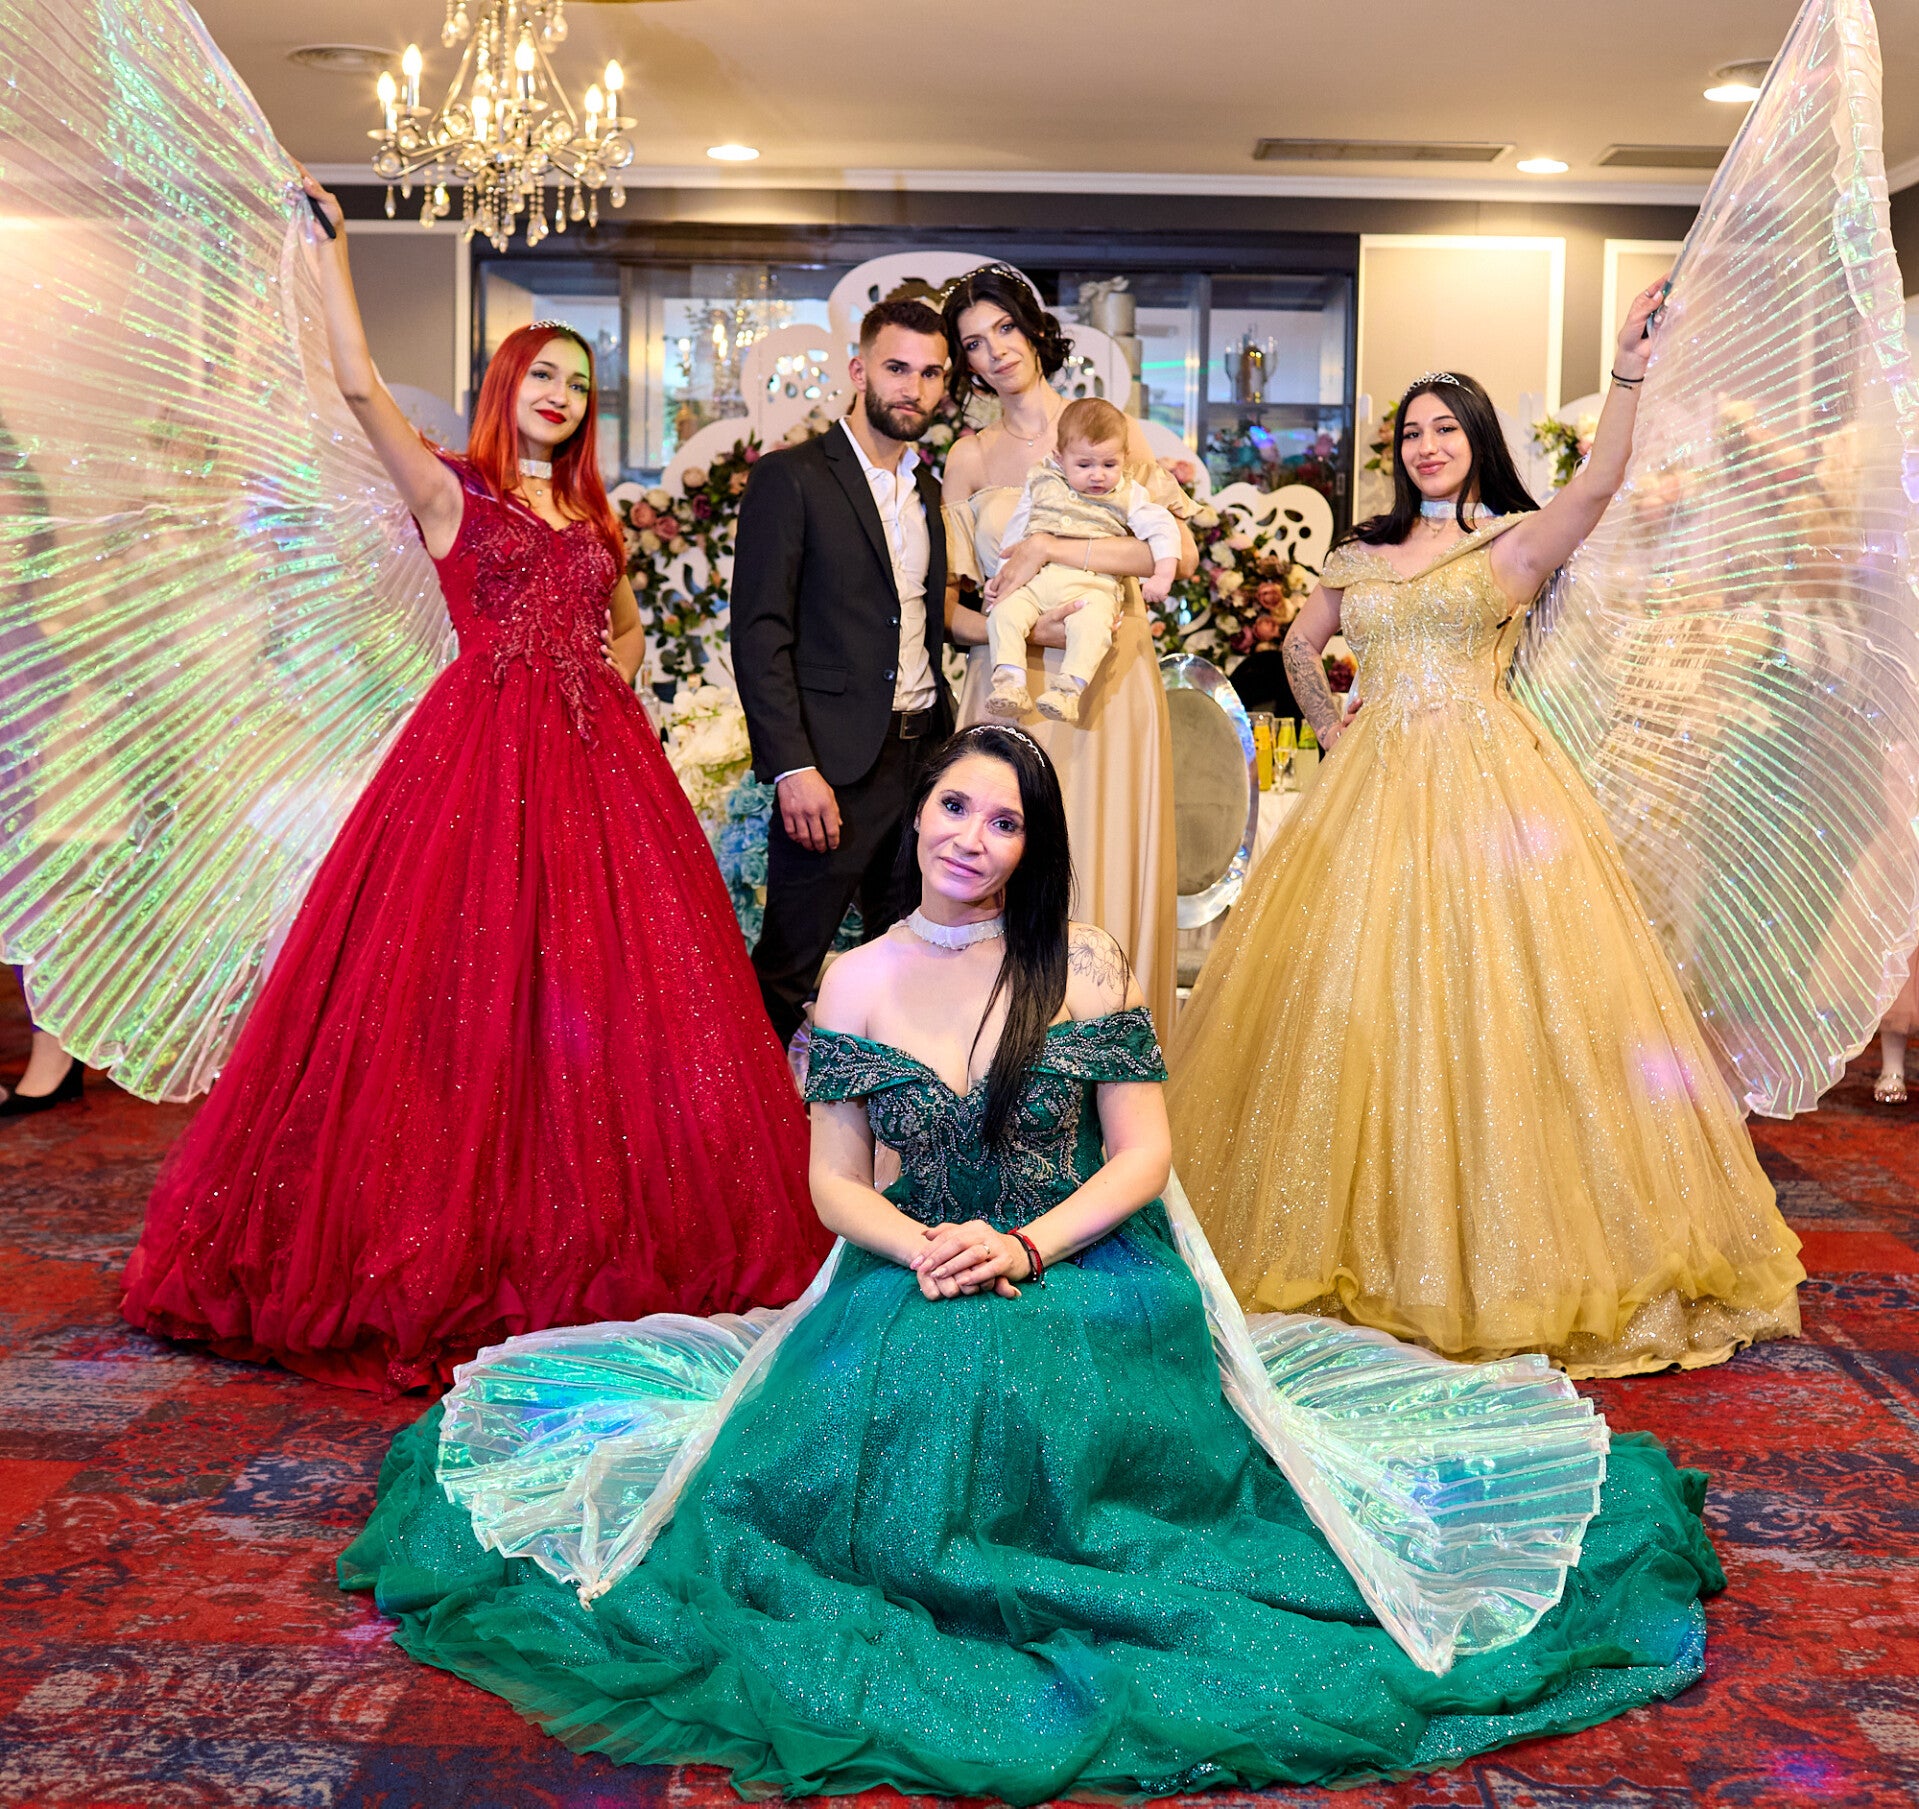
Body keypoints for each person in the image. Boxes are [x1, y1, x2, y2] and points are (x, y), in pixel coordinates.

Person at [342, 722, 1725, 1800]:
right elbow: (831, 1181)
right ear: (918, 816)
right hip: (911, 1256)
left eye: (1004, 822)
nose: (972, 837)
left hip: (1085, 1259)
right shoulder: (855, 977)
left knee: (1029, 1397)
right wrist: (925, 1246)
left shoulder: (1083, 964)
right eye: (955, 806)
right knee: (870, 1426)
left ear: (1030, 846)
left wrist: (1019, 1242)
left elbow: (1140, 1157)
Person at [119, 173, 828, 1393]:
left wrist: (603, 684)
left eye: (578, 384)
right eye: (542, 375)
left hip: (600, 772)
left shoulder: (594, 517)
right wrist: (333, 256)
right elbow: (356, 386)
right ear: (507, 387)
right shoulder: (453, 490)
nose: (560, 396)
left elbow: (624, 629)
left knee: (610, 999)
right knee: (461, 989)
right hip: (479, 765)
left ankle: (596, 1233)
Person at [1167, 292, 1806, 1378]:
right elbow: (1299, 645)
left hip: (1487, 795)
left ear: (1475, 442)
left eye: (1444, 429)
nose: (1425, 446)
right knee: (1352, 1004)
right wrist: (1331, 721)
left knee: (1501, 1000)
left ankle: (1499, 1250)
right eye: (1410, 433)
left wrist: (1626, 370)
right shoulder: (1361, 554)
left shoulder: (1509, 544)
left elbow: (1598, 485)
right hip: (1370, 793)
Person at [940, 265, 1195, 1032]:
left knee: (1103, 861)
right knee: (1007, 873)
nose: (994, 351)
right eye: (973, 343)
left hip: (1110, 685)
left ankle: (1107, 1067)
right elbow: (949, 613)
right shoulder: (969, 457)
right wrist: (1022, 626)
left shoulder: (1109, 430)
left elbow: (1173, 554)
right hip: (1009, 686)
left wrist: (1053, 545)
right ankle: (999, 1067)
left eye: (1004, 329)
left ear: (1033, 329)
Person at [730, 297, 956, 1047]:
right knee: (788, 969)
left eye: (930, 373)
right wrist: (794, 767)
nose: (913, 388)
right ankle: (746, 1114)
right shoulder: (791, 477)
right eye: (896, 368)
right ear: (859, 372)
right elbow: (759, 633)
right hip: (831, 765)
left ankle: (884, 1113)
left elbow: (921, 620)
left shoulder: (928, 492)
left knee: (911, 963)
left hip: (923, 760)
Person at [983, 397, 1180, 723]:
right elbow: (1017, 536)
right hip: (1037, 582)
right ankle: (1010, 683)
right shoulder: (1042, 482)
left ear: (1124, 457)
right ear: (1060, 458)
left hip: (1092, 586)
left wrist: (1163, 575)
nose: (1097, 475)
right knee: (1003, 614)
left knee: (1093, 627)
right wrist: (1002, 579)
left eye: (1109, 465)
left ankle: (1068, 691)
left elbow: (1162, 528)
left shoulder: (1128, 493)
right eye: (1084, 465)